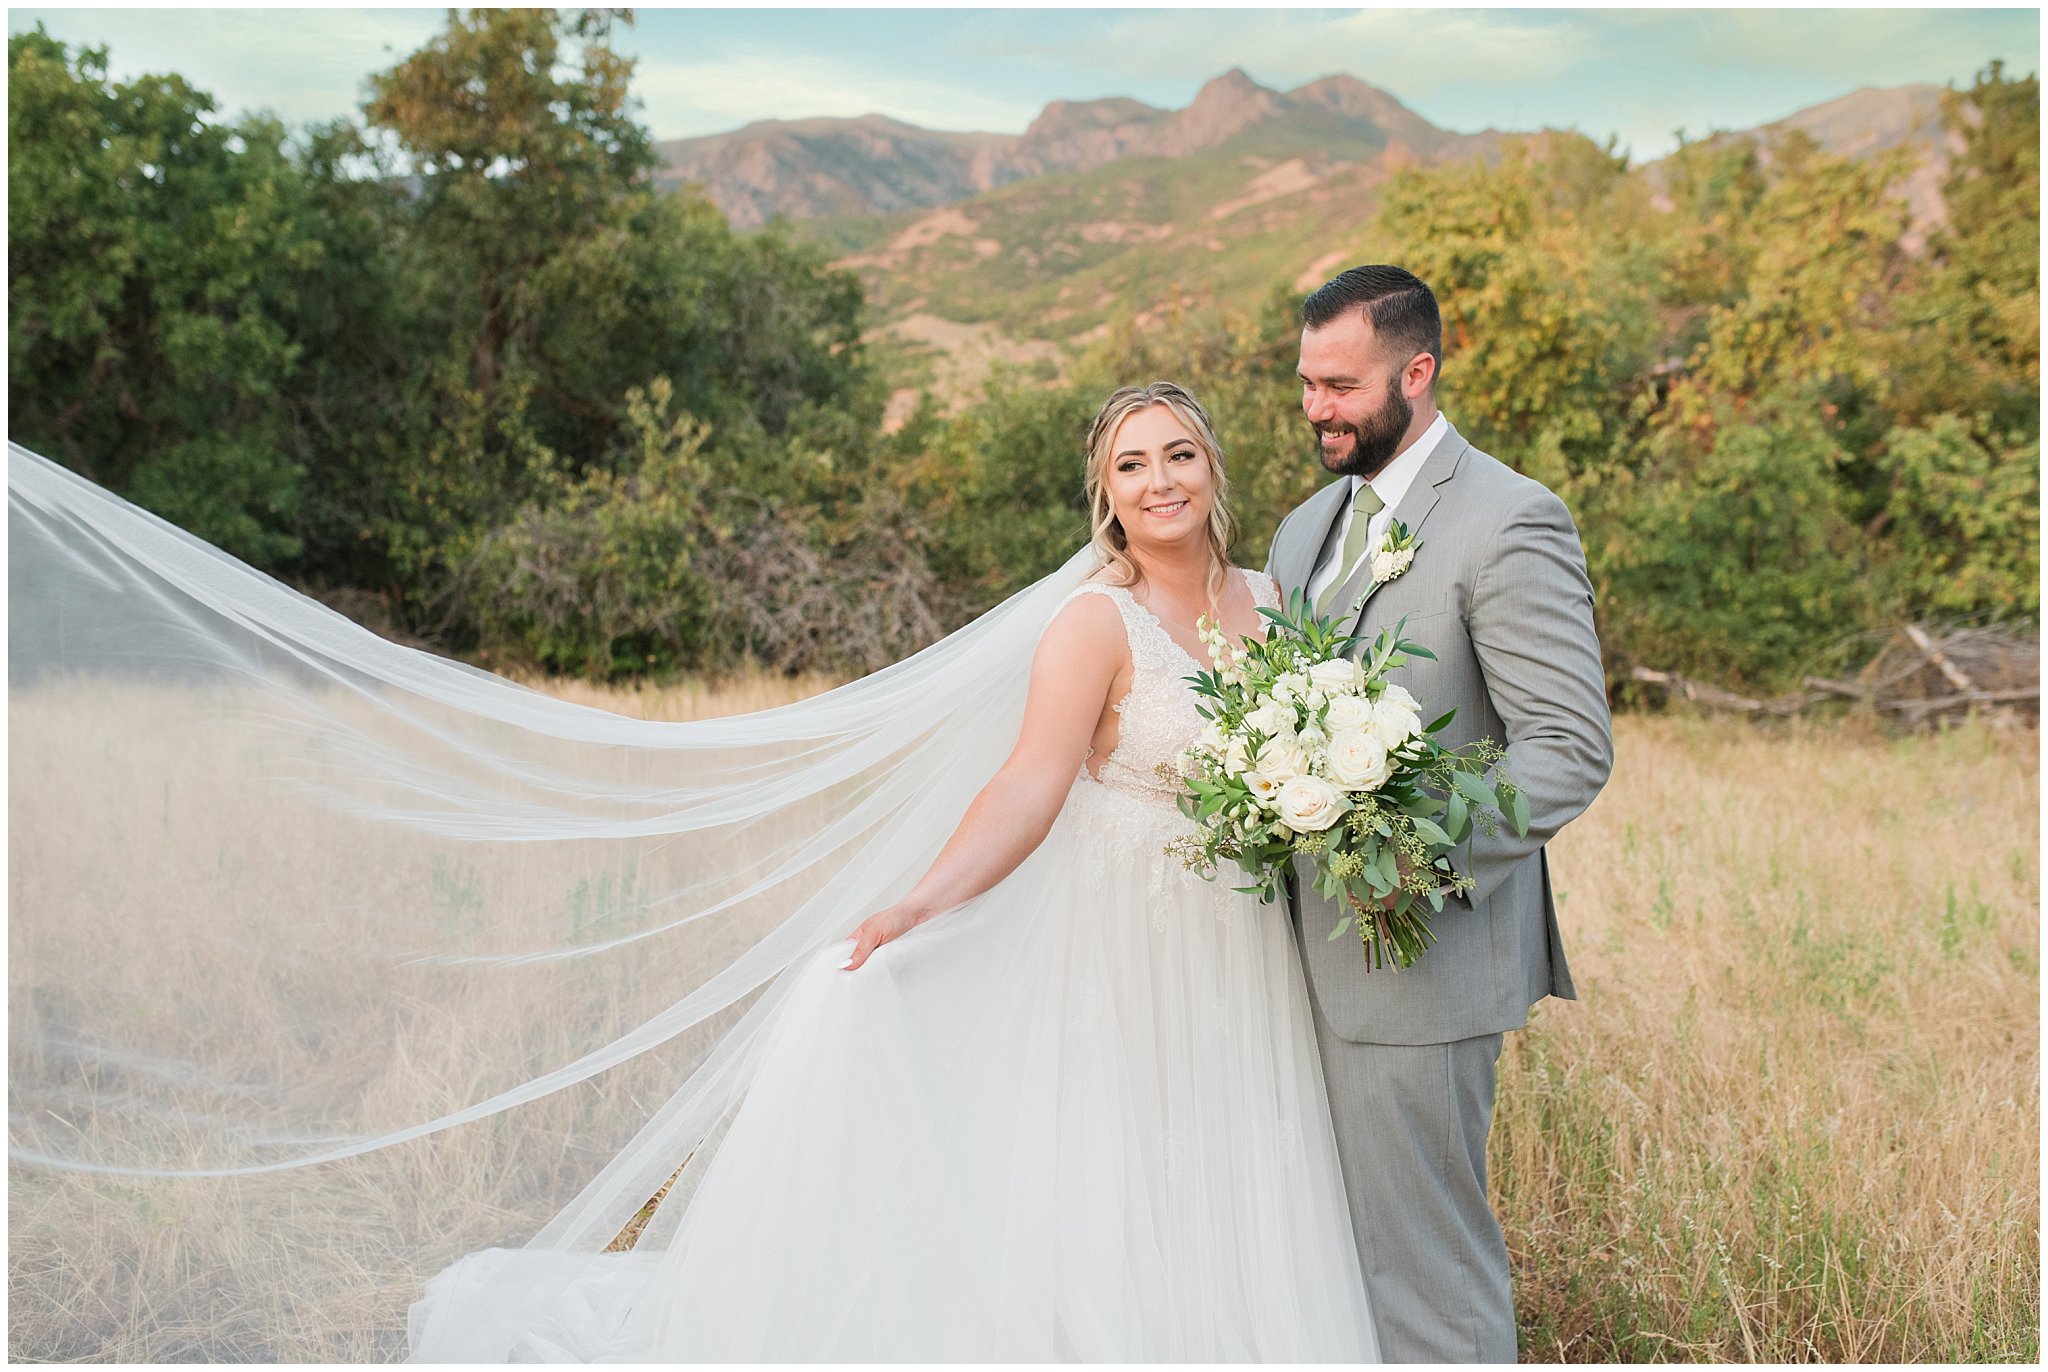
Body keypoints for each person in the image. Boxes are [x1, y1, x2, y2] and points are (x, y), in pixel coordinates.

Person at [401, 381, 1382, 1360]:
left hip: (1241, 937)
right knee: (1113, 1166)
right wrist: (917, 902)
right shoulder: (1094, 622)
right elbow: (1027, 786)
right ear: (1105, 496)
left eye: (1177, 453)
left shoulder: (1278, 603)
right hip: (1123, 937)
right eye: (1131, 464)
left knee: (1226, 1157)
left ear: (1212, 465)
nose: (1159, 480)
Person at [1265, 265, 1614, 1362]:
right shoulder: (1304, 530)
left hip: (1418, 959)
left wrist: (1398, 847)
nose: (1316, 406)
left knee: (1424, 1277)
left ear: (1415, 371)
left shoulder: (1509, 519)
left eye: (1340, 384)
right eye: (1306, 382)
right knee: (1329, 1257)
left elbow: (1565, 750)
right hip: (1289, 961)